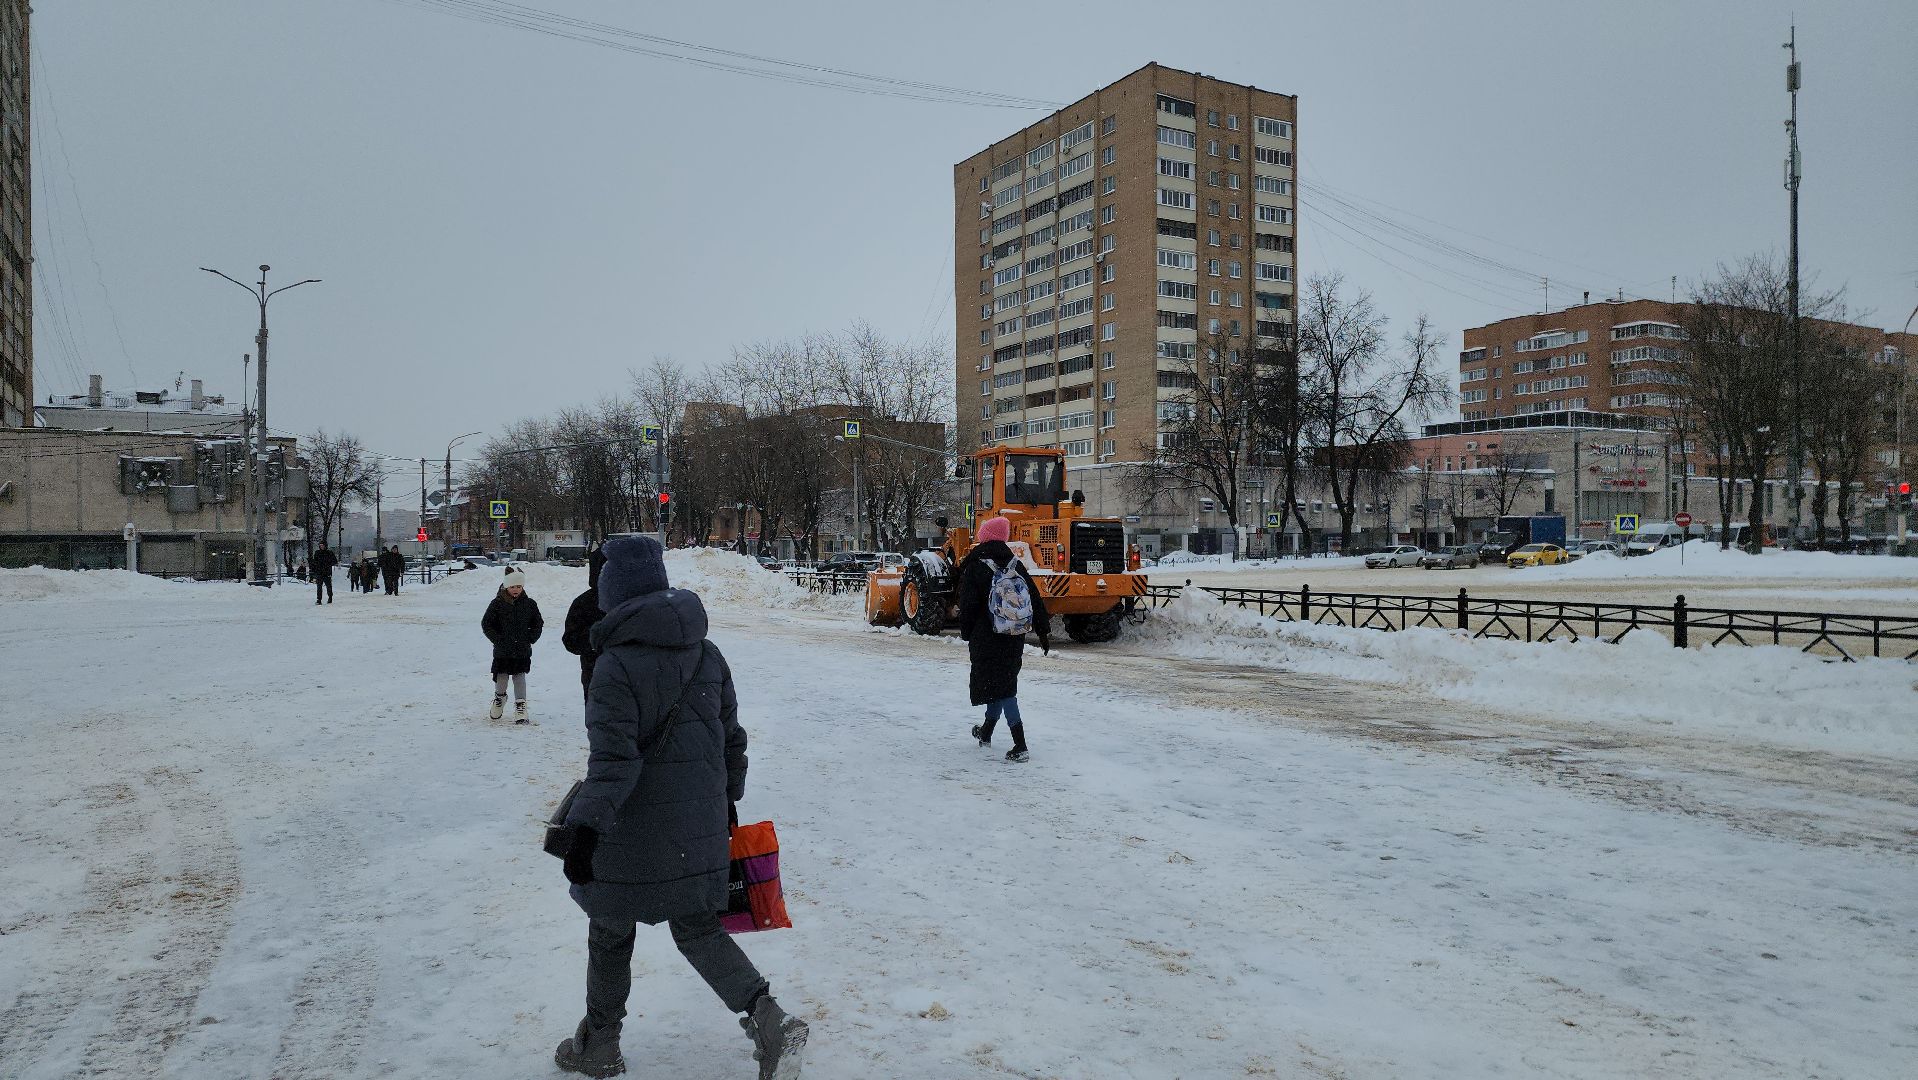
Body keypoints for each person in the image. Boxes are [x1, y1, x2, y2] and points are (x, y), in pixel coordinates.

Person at [549, 535, 807, 1080]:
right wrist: (727, 804)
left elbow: (614, 764)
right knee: (696, 927)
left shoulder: (615, 666)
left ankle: (600, 1044)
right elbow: (731, 739)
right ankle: (770, 1020)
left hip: (629, 828)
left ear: (611, 593)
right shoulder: (707, 653)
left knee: (610, 925)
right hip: (699, 823)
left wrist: (585, 832)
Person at [955, 514, 1049, 763]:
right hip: (1013, 635)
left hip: (986, 636)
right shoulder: (1014, 565)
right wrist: (1043, 629)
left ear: (984, 537)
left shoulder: (976, 565)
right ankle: (986, 732)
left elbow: (968, 605)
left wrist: (966, 632)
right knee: (1000, 683)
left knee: (1004, 689)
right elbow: (1034, 597)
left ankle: (1020, 744)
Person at [482, 568, 543, 724]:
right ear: (506, 587)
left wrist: (531, 638)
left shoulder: (529, 604)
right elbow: (487, 623)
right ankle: (499, 698)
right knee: (502, 676)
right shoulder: (497, 604)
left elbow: (538, 623)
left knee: (519, 675)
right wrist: (497, 639)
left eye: (519, 587)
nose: (516, 590)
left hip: (522, 648)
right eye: (513, 587)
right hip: (502, 649)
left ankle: (521, 706)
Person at [561, 546, 608, 703]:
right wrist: (596, 639)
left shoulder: (632, 600)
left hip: (632, 678)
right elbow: (571, 640)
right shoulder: (584, 603)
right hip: (595, 674)